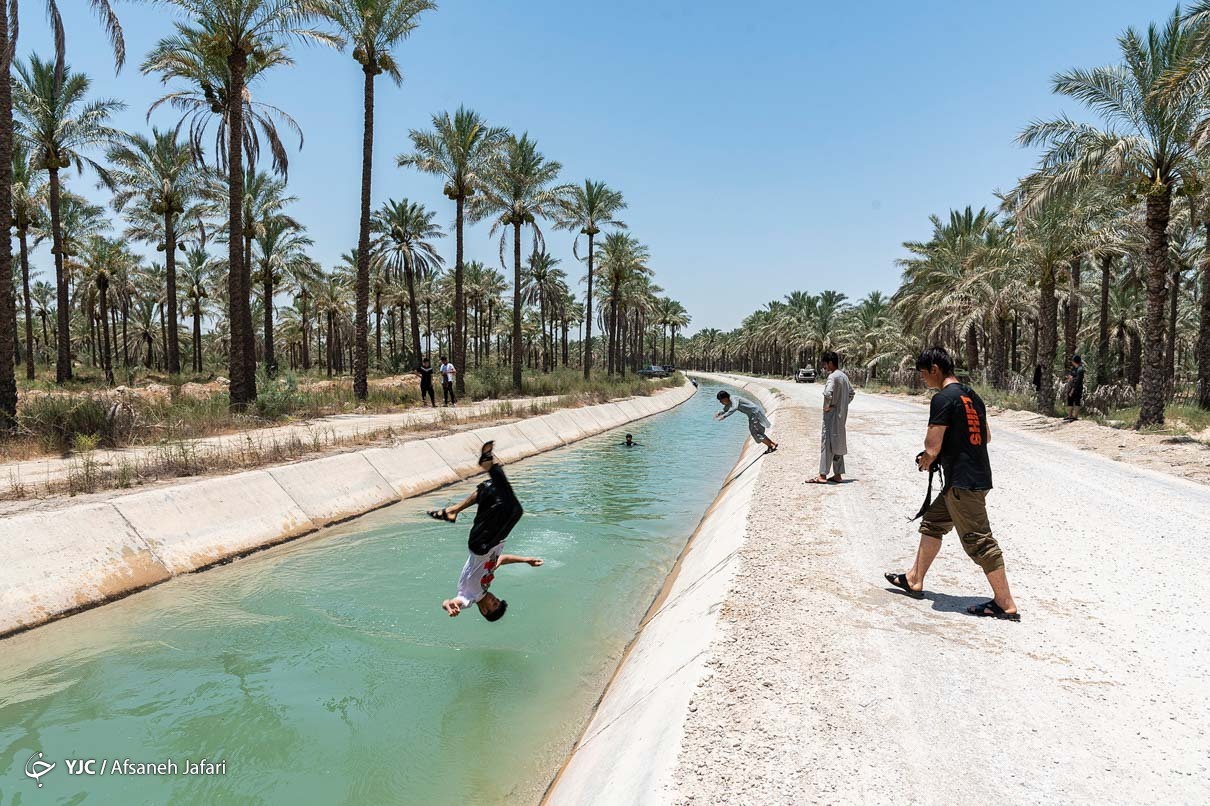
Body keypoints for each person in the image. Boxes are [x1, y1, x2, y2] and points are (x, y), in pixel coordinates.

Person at [883, 347, 1020, 621]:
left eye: (923, 373)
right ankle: (914, 579)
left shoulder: (943, 398)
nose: (923, 379)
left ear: (935, 369)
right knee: (933, 522)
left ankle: (1005, 604)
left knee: (980, 542)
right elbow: (986, 437)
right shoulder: (973, 396)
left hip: (963, 484)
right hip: (974, 478)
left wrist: (927, 459)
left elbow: (931, 446)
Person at [428, 441, 542, 621]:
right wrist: (526, 560)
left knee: (508, 507)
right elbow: (502, 559)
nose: (494, 599)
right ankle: (456, 508)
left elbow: (450, 602)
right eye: (498, 600)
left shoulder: (469, 598)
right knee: (506, 503)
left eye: (494, 604)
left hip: (481, 544)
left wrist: (449, 605)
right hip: (495, 541)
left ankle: (487, 467)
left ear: (484, 611)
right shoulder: (484, 585)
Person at [807, 351, 855, 484]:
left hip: (832, 416)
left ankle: (822, 475)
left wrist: (827, 407)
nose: (824, 366)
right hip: (841, 416)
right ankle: (838, 474)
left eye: (825, 363)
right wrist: (843, 404)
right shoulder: (844, 376)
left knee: (827, 443)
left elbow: (828, 394)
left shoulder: (832, 377)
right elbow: (851, 393)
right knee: (837, 443)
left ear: (830, 363)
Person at [1063, 355, 1085, 422]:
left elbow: (1078, 380)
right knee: (1070, 400)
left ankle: (1075, 416)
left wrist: (1073, 389)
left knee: (1077, 401)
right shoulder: (1074, 369)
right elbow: (1073, 376)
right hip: (1071, 386)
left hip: (1077, 388)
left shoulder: (1080, 369)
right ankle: (1070, 415)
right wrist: (1070, 377)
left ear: (1074, 361)